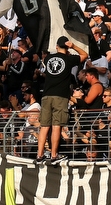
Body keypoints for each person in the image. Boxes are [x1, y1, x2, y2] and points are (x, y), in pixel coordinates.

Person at [36, 36, 88, 165]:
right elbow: (84, 55)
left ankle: (39, 154)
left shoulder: (48, 59)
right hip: (61, 96)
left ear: (57, 46)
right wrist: (73, 47)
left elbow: (45, 56)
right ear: (67, 46)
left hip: (47, 95)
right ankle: (54, 155)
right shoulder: (69, 59)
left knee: (44, 126)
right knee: (56, 126)